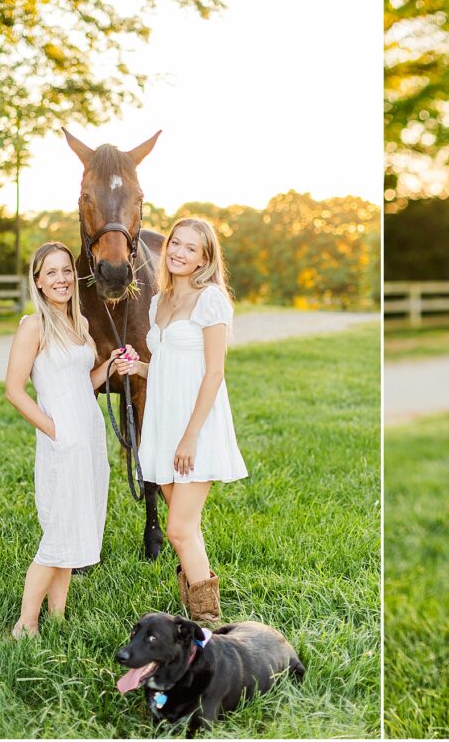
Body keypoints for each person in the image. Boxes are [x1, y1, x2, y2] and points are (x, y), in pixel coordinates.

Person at [115, 218, 247, 625]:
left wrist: (190, 437)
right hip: (164, 423)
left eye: (191, 248)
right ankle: (201, 616)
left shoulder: (211, 300)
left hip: (195, 427)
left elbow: (213, 373)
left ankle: (207, 622)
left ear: (205, 258)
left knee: (177, 531)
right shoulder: (160, 302)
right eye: (175, 243)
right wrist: (137, 367)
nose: (178, 252)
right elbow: (168, 368)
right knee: (187, 530)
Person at [5, 242, 119, 639]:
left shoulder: (81, 325)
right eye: (50, 272)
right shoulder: (32, 326)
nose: (61, 279)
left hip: (89, 435)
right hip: (62, 440)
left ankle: (57, 617)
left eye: (66, 270)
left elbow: (80, 385)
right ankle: (26, 624)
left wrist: (109, 366)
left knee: (74, 525)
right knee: (58, 532)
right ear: (37, 281)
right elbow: (14, 390)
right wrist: (54, 430)